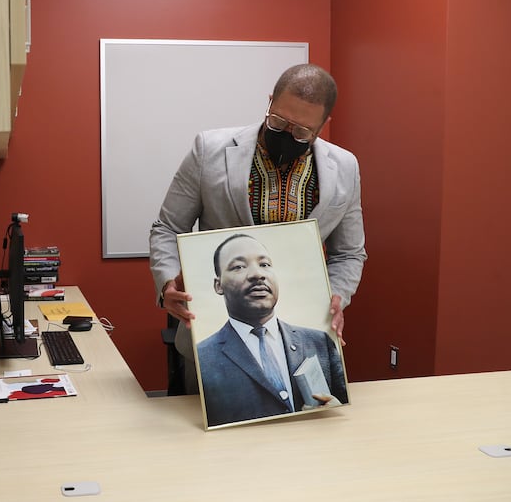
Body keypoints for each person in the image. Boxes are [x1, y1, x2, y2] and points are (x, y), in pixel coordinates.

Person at [150, 63, 366, 394]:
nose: (287, 135)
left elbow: (349, 253)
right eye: (279, 121)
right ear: (269, 102)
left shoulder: (345, 168)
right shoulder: (209, 150)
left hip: (303, 342)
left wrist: (337, 295)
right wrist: (167, 282)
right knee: (205, 443)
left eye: (302, 132)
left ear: (324, 125)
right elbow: (167, 227)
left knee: (303, 438)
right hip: (213, 339)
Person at [197, 233, 347, 427]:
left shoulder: (318, 342)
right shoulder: (203, 358)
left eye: (265, 264)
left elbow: (342, 405)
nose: (257, 274)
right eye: (239, 267)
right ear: (218, 285)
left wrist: (335, 412)